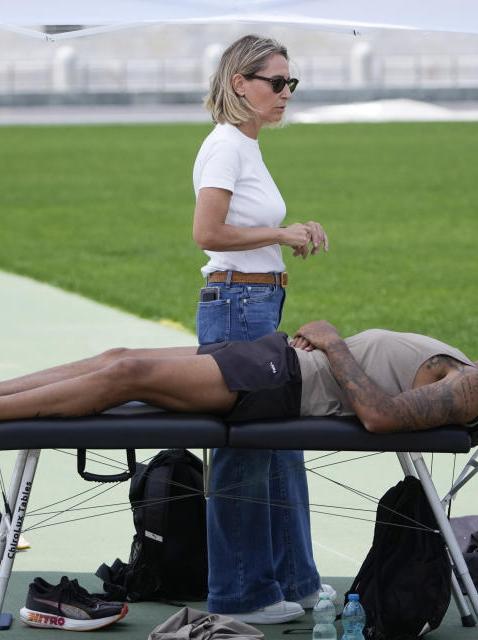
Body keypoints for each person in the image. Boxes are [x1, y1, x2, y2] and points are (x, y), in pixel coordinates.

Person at [0, 306, 478, 450]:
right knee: (118, 359)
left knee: (124, 371)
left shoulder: (475, 390)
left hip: (283, 382)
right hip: (280, 366)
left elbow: (384, 417)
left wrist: (332, 345)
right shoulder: (470, 370)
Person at [191, 34, 330, 623]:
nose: (285, 94)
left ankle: (293, 581)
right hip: (237, 307)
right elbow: (207, 232)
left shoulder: (246, 147)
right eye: (276, 83)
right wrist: (280, 236)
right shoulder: (225, 146)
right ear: (240, 83)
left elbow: (245, 224)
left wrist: (291, 230)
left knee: (282, 445)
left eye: (290, 83)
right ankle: (241, 597)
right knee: (244, 452)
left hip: (256, 304)